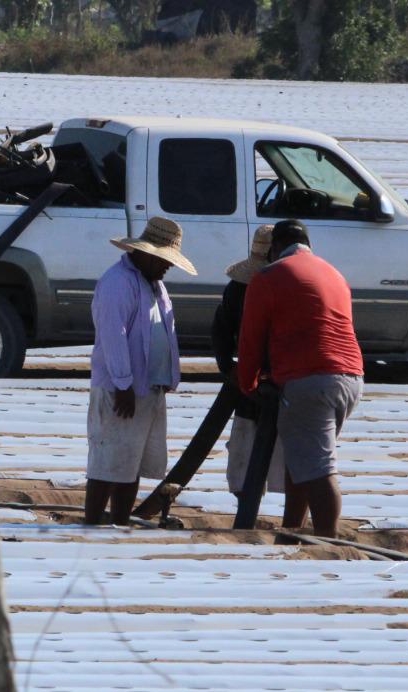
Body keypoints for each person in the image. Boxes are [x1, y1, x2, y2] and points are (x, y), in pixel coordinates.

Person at [235, 219, 364, 538]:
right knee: (304, 459)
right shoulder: (334, 274)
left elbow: (251, 339)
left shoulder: (268, 277)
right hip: (351, 377)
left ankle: (327, 541)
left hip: (311, 379)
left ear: (275, 249)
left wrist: (247, 383)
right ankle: (292, 530)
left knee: (319, 470)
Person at [85, 217, 195, 525]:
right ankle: (92, 524)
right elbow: (112, 336)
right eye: (163, 260)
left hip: (147, 389)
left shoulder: (154, 285)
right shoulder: (117, 283)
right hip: (121, 389)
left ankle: (120, 522)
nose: (167, 267)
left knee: (129, 463)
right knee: (108, 462)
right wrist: (123, 385)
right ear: (144, 254)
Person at [215, 224, 284, 497]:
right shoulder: (237, 290)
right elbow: (221, 328)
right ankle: (246, 499)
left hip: (279, 379)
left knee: (282, 452)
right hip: (248, 378)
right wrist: (228, 366)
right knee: (245, 441)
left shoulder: (282, 288)